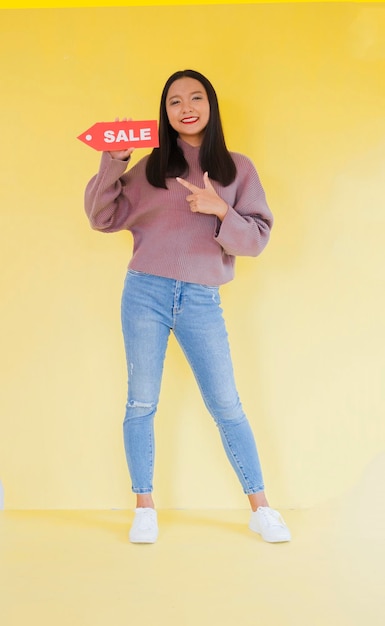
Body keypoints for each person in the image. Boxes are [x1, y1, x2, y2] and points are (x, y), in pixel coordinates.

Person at [84, 69, 291, 544]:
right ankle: (144, 507)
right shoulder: (152, 169)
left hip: (201, 298)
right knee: (141, 402)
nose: (186, 107)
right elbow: (102, 216)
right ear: (166, 113)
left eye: (196, 97)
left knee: (226, 404)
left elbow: (257, 238)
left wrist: (221, 210)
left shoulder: (237, 169)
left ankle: (261, 508)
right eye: (175, 101)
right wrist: (113, 163)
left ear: (211, 106)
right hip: (145, 292)